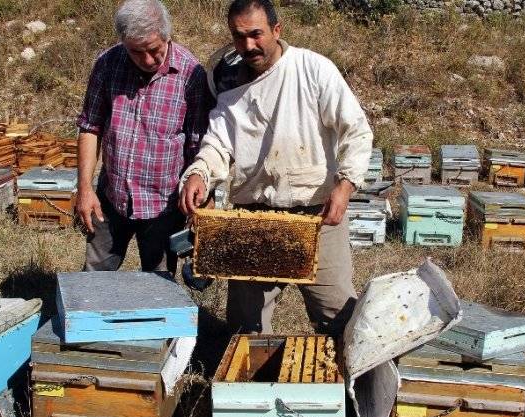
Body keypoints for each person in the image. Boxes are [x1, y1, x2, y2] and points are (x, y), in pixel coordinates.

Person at [179, 0, 373, 337]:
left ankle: (350, 387)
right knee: (245, 329)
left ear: (277, 30)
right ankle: (250, 389)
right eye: (240, 37)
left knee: (339, 318)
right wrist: (199, 173)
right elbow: (218, 144)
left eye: (256, 34)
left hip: (317, 216)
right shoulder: (228, 84)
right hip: (253, 217)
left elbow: (356, 130)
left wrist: (345, 185)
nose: (249, 45)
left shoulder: (314, 69)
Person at [75, 0, 211, 273]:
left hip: (164, 206)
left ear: (167, 36)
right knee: (93, 283)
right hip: (111, 200)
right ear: (124, 43)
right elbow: (90, 127)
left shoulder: (190, 73)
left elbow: (199, 144)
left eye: (154, 50)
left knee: (159, 287)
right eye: (137, 52)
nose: (148, 60)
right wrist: (85, 188)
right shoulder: (107, 64)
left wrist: (203, 200)